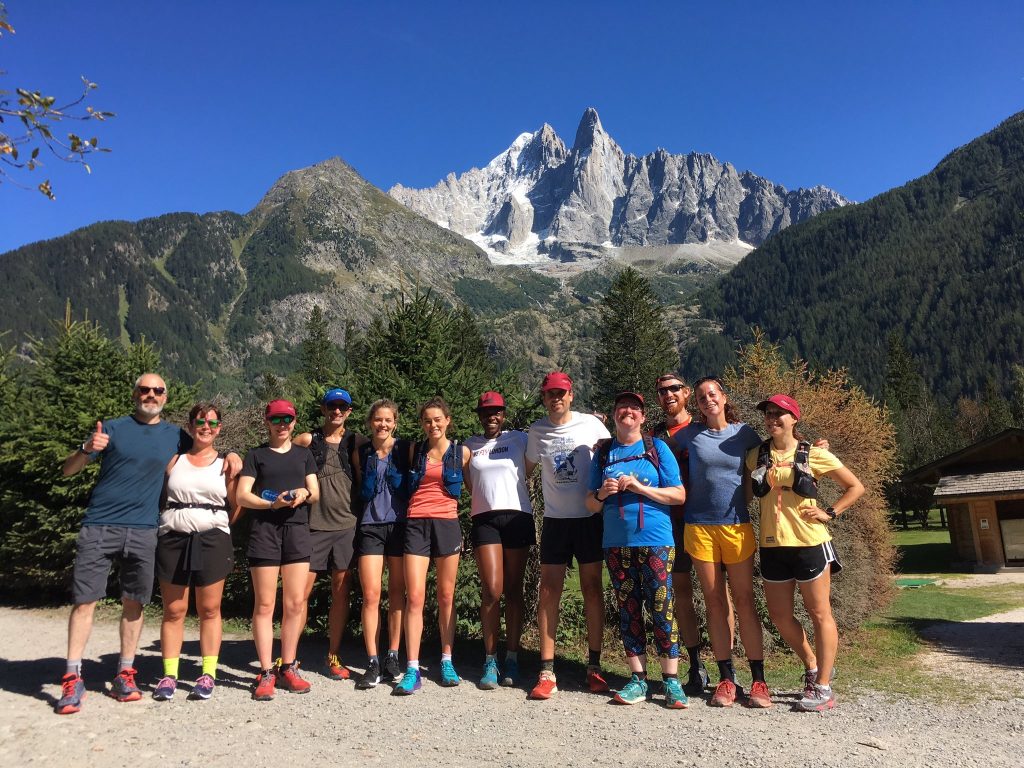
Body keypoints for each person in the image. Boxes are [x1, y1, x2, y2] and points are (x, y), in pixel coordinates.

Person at [56, 374, 239, 715]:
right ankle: (72, 676)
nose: (151, 395)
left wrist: (234, 458)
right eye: (145, 389)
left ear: (166, 397)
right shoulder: (110, 429)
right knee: (85, 601)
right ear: (135, 393)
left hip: (144, 530)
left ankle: (126, 673)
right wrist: (85, 449)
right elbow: (68, 471)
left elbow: (206, 450)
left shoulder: (175, 437)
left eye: (158, 390)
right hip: (101, 524)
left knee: (134, 603)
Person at [746, 394, 864, 712]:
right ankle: (812, 665)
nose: (772, 418)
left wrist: (830, 512)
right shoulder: (755, 455)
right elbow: (745, 494)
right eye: (768, 413)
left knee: (819, 613)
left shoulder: (814, 454)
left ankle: (823, 687)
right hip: (773, 545)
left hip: (811, 543)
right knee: (780, 616)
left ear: (794, 418)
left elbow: (855, 486)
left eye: (779, 414)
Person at [586, 391, 688, 708]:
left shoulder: (656, 448)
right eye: (621, 408)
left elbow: (679, 495)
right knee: (628, 610)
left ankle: (671, 681)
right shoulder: (604, 453)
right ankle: (638, 680)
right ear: (614, 415)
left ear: (643, 417)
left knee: (662, 608)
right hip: (616, 543)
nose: (627, 412)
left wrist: (641, 487)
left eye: (634, 409)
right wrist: (603, 492)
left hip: (657, 540)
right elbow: (589, 504)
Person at [677, 376, 770, 708]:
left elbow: (776, 449)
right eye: (701, 397)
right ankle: (726, 679)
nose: (707, 400)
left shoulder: (743, 433)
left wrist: (814, 447)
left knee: (745, 600)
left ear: (723, 397)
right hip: (698, 527)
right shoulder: (689, 434)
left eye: (711, 394)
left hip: (736, 526)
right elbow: (655, 450)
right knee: (715, 602)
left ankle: (759, 681)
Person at [525, 372, 611, 700]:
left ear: (571, 395)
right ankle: (546, 670)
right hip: (556, 521)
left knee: (592, 588)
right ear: (544, 398)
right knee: (549, 592)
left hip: (589, 518)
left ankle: (594, 666)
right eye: (549, 394)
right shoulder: (537, 431)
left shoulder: (592, 425)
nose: (555, 398)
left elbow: (613, 452)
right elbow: (525, 469)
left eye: (561, 393)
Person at [152, 403, 238, 702]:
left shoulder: (227, 462)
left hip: (212, 539)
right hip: (173, 537)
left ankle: (208, 673)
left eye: (213, 423)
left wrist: (218, 524)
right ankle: (169, 674)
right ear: (190, 426)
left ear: (219, 428)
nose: (206, 427)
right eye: (201, 422)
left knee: (210, 609)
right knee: (174, 610)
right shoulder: (174, 460)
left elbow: (236, 503)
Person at [235, 399, 320, 701]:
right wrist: (272, 503)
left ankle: (289, 666)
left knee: (295, 603)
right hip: (265, 533)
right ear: (267, 422)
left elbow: (315, 493)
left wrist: (303, 492)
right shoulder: (256, 455)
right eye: (277, 420)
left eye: (288, 419)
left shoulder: (304, 454)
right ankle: (266, 671)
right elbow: (242, 496)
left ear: (294, 422)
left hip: (297, 531)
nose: (282, 425)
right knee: (265, 605)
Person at [393, 397, 470, 695]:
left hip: (447, 524)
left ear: (448, 420)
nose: (433, 425)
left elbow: (476, 487)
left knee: (446, 595)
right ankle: (412, 668)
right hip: (416, 524)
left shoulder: (462, 453)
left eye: (438, 419)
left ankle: (446, 660)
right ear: (422, 423)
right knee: (415, 597)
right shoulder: (415, 450)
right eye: (427, 420)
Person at [465, 391, 535, 689]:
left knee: (514, 590)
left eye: (496, 412)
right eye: (485, 412)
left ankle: (513, 657)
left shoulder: (519, 438)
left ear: (503, 414)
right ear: (479, 416)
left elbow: (531, 467)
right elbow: (469, 483)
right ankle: (490, 659)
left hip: (517, 516)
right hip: (485, 518)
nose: (491, 416)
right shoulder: (470, 445)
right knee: (492, 590)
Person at [293, 388, 362, 682]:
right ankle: (289, 655)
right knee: (299, 596)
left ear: (349, 411)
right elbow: (280, 453)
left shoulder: (356, 441)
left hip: (348, 526)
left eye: (342, 407)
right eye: (332, 406)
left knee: (341, 592)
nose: (337, 411)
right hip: (313, 526)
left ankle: (333, 655)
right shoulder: (309, 440)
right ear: (323, 409)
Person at [352, 399, 410, 689]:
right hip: (370, 526)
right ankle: (373, 661)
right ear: (370, 422)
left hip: (399, 526)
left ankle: (393, 655)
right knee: (372, 594)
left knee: (397, 593)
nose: (383, 424)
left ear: (395, 422)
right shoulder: (361, 451)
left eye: (388, 420)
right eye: (378, 419)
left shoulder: (405, 449)